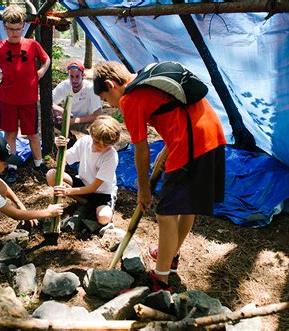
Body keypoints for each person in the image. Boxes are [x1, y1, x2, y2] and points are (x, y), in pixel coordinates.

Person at [92, 61, 226, 292]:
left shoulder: (129, 99)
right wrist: (167, 148)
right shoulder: (145, 73)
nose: (110, 106)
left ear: (110, 84)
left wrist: (143, 189)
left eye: (105, 99)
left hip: (190, 145)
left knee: (165, 214)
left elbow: (141, 149)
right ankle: (170, 254)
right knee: (186, 206)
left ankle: (160, 280)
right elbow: (174, 111)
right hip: (212, 133)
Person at [0, 5, 51, 184]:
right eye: (11, 29)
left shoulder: (32, 45)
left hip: (29, 99)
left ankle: (39, 164)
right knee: (10, 134)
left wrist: (41, 71)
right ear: (5, 27)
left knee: (32, 133)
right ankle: (12, 167)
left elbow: (46, 59)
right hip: (8, 99)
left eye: (18, 29)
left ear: (23, 27)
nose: (15, 32)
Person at [46, 115, 121, 226]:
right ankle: (84, 202)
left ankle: (106, 200)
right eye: (96, 142)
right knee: (51, 175)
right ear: (91, 134)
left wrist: (67, 191)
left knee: (104, 218)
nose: (100, 147)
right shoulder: (84, 141)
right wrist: (60, 149)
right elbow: (61, 162)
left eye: (105, 145)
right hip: (83, 183)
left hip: (101, 192)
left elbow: (94, 187)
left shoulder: (111, 156)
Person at [52, 59, 102, 144]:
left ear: (83, 75)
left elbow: (97, 115)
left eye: (77, 76)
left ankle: (77, 140)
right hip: (69, 118)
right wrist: (61, 110)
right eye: (71, 76)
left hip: (86, 122)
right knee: (53, 115)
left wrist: (75, 120)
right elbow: (48, 101)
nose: (74, 80)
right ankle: (65, 138)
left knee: (96, 130)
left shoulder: (90, 88)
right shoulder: (64, 85)